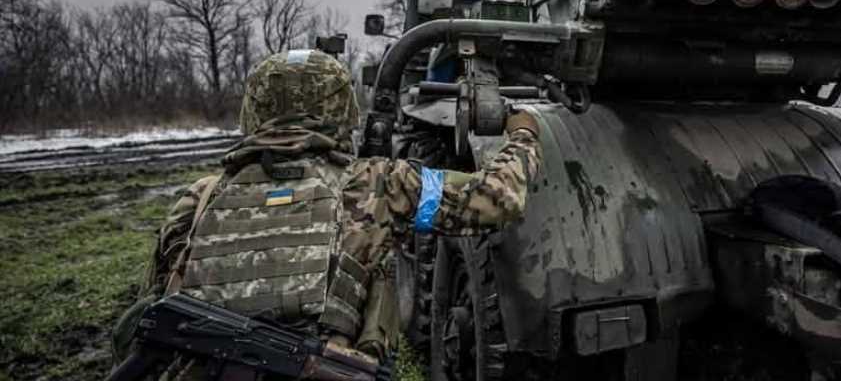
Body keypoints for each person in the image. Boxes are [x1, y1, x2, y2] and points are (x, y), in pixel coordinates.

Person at [112, 48, 541, 373]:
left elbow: (145, 315)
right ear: (341, 111)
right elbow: (497, 198)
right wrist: (522, 135)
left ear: (255, 110)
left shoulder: (198, 198)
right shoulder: (379, 185)